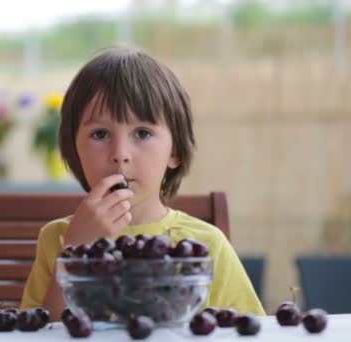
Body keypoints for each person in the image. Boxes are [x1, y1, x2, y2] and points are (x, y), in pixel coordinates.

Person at [20, 47, 265, 317]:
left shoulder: (206, 244)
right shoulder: (58, 239)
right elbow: (41, 331)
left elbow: (249, 331)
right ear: (74, 148)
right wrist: (74, 254)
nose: (120, 155)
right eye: (100, 134)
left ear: (174, 152)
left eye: (143, 133)